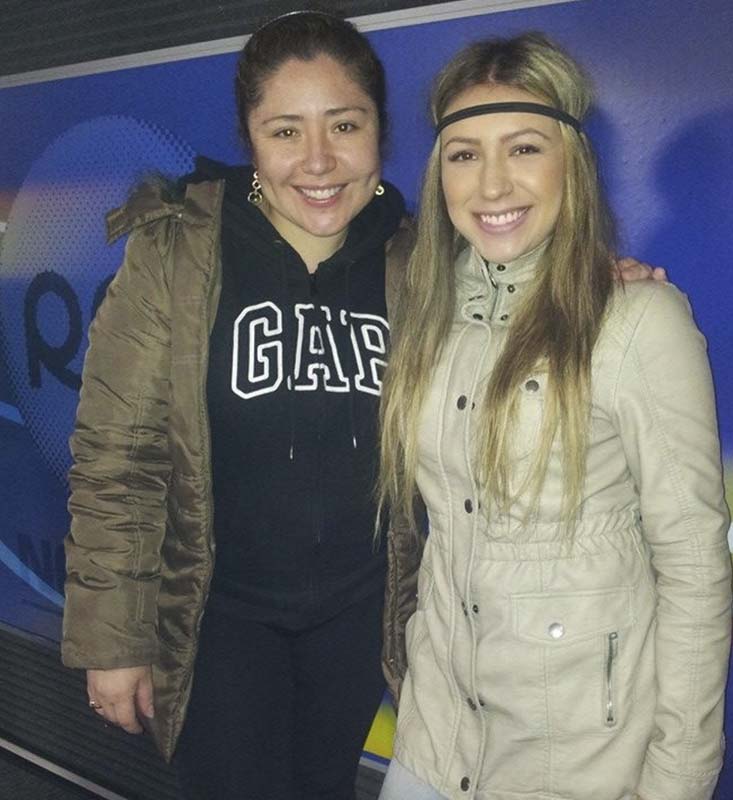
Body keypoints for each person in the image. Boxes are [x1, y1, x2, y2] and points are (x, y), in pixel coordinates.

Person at [61, 11, 663, 800]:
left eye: (344, 125)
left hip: (358, 617)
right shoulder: (179, 254)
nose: (318, 160)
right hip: (218, 617)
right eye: (285, 132)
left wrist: (599, 284)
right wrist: (113, 640)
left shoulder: (422, 261)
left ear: (380, 130)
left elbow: (520, 289)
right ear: (251, 140)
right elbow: (117, 460)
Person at [378, 32, 732, 800]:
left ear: (571, 159)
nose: (492, 183)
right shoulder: (426, 313)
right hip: (434, 741)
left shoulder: (637, 322)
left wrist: (678, 780)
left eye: (524, 148)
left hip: (577, 762)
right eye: (464, 154)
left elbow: (695, 567)